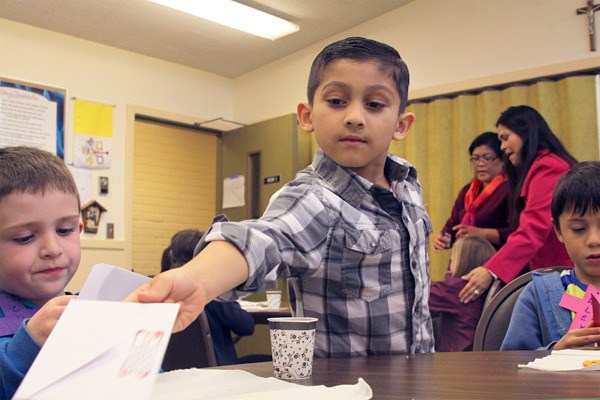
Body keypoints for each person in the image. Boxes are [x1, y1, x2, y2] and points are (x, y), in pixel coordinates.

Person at [127, 36, 434, 358]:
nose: (354, 116)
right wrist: (196, 277)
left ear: (401, 125)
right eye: (337, 101)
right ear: (307, 116)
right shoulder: (315, 201)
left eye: (374, 104)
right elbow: (263, 238)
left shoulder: (407, 184)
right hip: (350, 388)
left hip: (419, 375)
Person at [460, 105, 577, 304]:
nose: (503, 147)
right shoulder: (535, 169)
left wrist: (491, 270)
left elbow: (532, 229)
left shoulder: (548, 167)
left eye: (505, 138)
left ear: (526, 133)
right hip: (551, 273)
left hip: (564, 273)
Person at [0, 146, 82, 400]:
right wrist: (29, 343)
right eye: (25, 238)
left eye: (65, 230)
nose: (52, 249)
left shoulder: (87, 306)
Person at [501, 161, 600, 350]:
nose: (594, 240)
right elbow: (509, 364)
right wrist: (554, 352)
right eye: (579, 229)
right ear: (559, 231)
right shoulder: (538, 294)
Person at [162, 229, 257, 366]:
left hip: (172, 372)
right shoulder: (212, 291)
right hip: (218, 371)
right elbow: (246, 327)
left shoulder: (164, 290)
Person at [433, 131, 512, 252]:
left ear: (503, 160)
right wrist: (445, 237)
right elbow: (453, 224)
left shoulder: (510, 189)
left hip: (497, 261)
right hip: (467, 259)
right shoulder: (468, 191)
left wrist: (482, 233)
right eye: (475, 158)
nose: (480, 164)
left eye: (487, 158)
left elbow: (517, 232)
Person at [429, 236, 496, 352]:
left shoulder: (457, 288)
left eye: (453, 258)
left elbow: (419, 296)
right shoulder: (488, 286)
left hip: (455, 357)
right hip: (477, 353)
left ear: (463, 261)